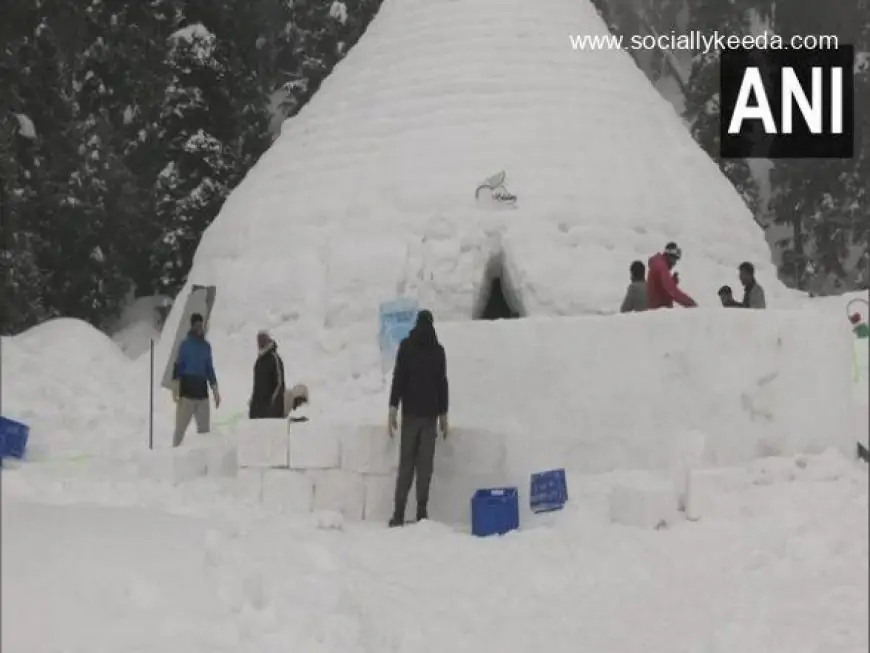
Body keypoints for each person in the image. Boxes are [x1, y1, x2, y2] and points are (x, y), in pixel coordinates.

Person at [387, 309, 449, 527]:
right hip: (430, 416)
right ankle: (422, 511)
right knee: (425, 466)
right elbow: (442, 384)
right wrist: (444, 415)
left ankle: (398, 514)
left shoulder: (406, 346)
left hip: (410, 414)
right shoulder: (438, 350)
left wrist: (392, 408)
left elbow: (398, 379)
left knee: (406, 465)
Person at [171, 313, 220, 446]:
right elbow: (178, 365)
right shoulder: (185, 345)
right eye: (197, 325)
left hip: (202, 395)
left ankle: (203, 462)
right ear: (192, 326)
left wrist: (215, 390)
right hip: (186, 394)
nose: (199, 327)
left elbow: (209, 369)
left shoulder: (206, 346)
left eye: (201, 324)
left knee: (204, 433)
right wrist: (175, 386)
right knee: (180, 431)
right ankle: (173, 456)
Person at [646, 242, 697, 309]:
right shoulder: (662, 267)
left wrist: (672, 282)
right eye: (674, 259)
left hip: (655, 307)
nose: (675, 263)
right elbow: (672, 291)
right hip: (658, 310)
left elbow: (663, 288)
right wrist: (691, 304)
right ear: (669, 256)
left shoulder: (659, 265)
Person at [249, 330, 285, 419]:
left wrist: (272, 405)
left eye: (262, 340)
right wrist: (253, 408)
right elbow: (257, 386)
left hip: (272, 411)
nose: (260, 343)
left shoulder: (274, 358)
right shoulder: (259, 361)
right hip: (259, 411)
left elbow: (279, 384)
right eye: (259, 341)